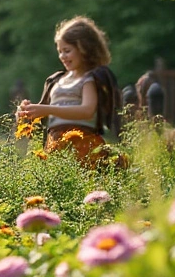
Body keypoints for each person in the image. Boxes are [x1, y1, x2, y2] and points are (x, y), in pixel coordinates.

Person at [16, 16, 123, 166]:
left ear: (84, 48)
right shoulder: (57, 80)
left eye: (67, 51)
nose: (62, 56)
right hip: (55, 146)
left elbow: (87, 111)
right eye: (60, 51)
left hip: (83, 146)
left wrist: (47, 109)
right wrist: (27, 112)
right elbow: (45, 114)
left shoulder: (89, 79)